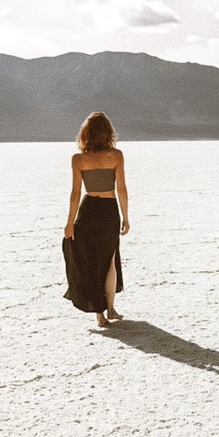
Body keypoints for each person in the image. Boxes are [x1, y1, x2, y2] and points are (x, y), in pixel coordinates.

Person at [61, 111, 130, 327]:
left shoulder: (79, 159)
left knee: (90, 261)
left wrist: (70, 222)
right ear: (108, 132)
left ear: (86, 134)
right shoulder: (116, 155)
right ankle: (110, 309)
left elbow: (75, 193)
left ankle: (100, 314)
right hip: (109, 210)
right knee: (109, 260)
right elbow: (121, 188)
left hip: (88, 209)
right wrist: (126, 216)